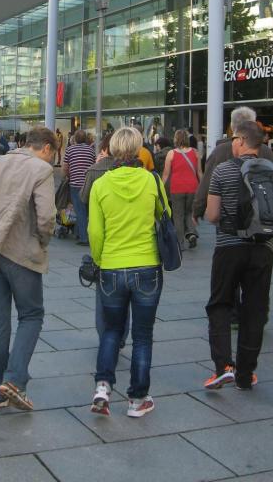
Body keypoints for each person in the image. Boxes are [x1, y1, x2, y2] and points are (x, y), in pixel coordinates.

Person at [0, 127, 57, 411]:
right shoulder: (42, 170)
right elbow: (46, 217)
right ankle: (15, 379)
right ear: (46, 148)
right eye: (52, 154)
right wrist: (41, 240)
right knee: (31, 314)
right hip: (19, 250)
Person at [89, 127, 169, 417]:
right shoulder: (151, 180)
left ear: (110, 150)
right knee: (143, 335)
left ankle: (103, 386)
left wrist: (100, 260)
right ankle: (137, 399)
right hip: (147, 265)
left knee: (111, 330)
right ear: (138, 150)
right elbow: (166, 215)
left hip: (111, 266)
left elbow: (95, 232)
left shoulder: (101, 184)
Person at [204, 121, 273, 391]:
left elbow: (212, 215)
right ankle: (246, 374)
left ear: (242, 141)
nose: (232, 142)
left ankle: (223, 367)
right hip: (262, 248)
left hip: (229, 247)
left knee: (220, 304)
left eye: (234, 138)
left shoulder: (223, 170)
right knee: (255, 309)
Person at [80, 134, 130, 345]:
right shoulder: (139, 172)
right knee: (126, 297)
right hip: (130, 240)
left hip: (105, 239)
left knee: (104, 294)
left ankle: (106, 337)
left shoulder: (95, 170)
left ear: (104, 148)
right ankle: (121, 336)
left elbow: (83, 198)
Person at [194, 106, 273, 223]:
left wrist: (197, 210)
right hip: (263, 218)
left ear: (232, 126)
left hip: (228, 219)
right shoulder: (266, 151)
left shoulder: (219, 151)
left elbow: (207, 183)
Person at [162, 129, 200, 250]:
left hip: (177, 188)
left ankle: (180, 242)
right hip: (193, 187)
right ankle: (192, 233)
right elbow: (199, 172)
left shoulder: (171, 153)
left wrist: (161, 187)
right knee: (189, 212)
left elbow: (166, 174)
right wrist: (203, 187)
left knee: (178, 215)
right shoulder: (195, 152)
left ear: (176, 139)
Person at [63, 129, 96, 244]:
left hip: (75, 184)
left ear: (75, 139)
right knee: (85, 210)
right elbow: (93, 165)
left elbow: (65, 167)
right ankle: (78, 232)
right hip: (88, 184)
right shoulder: (91, 150)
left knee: (79, 210)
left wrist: (68, 176)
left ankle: (84, 238)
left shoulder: (70, 150)